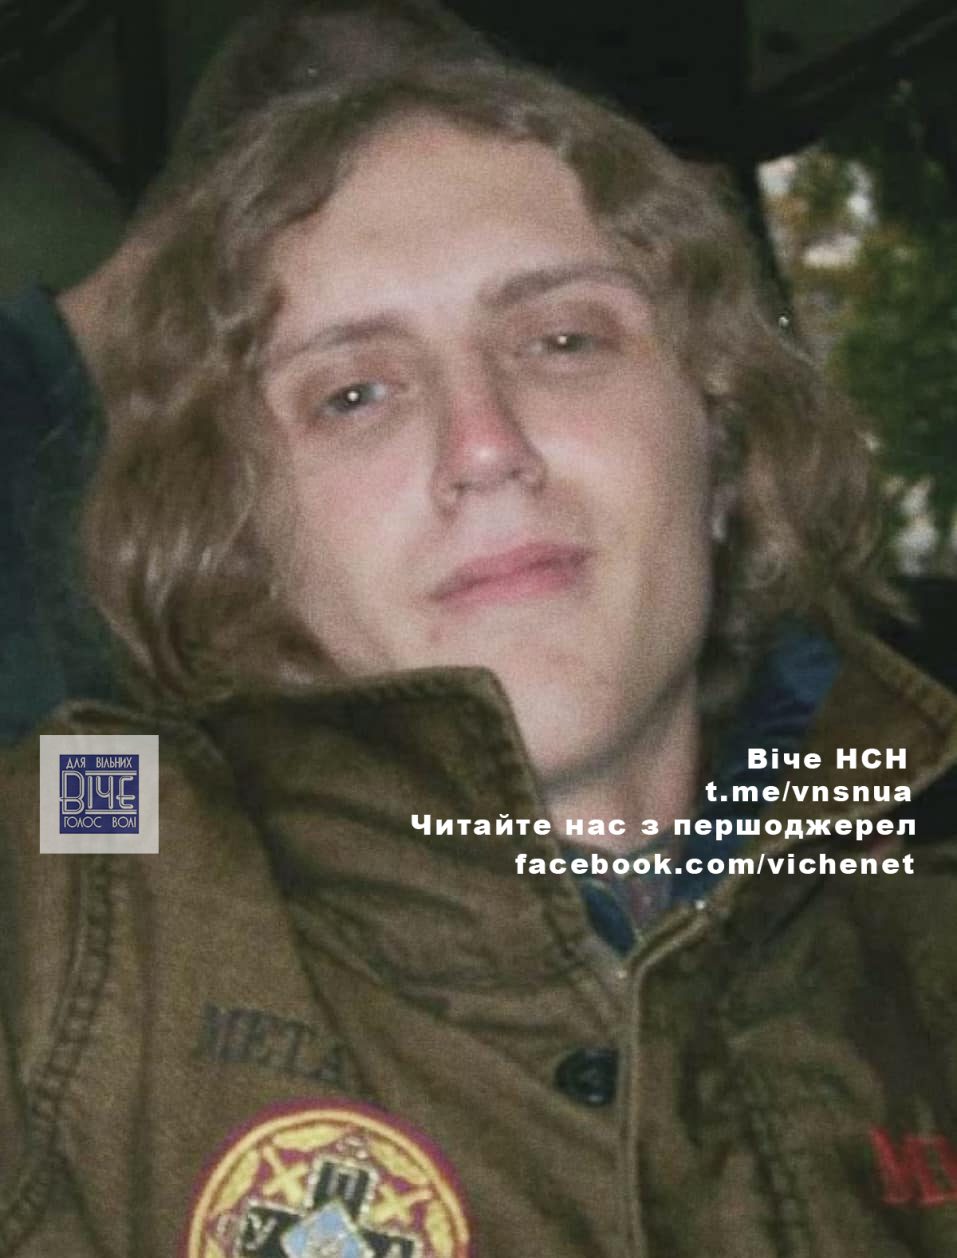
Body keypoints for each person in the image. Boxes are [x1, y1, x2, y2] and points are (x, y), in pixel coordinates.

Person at [2, 52, 957, 1258]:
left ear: (719, 443)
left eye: (561, 338)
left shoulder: (924, 940)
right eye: (354, 393)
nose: (485, 445)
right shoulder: (81, 865)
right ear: (240, 538)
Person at [0, 0, 491, 742]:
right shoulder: (45, 467)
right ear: (268, 207)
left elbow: (101, 787)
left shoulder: (139, 468)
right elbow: (90, 795)